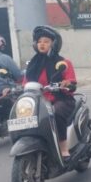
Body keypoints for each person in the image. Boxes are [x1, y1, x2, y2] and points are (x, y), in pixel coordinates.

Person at [24, 26, 77, 159]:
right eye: (39, 41)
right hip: (38, 101)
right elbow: (25, 82)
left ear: (54, 44)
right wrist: (13, 88)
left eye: (46, 41)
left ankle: (63, 147)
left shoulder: (64, 62)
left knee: (56, 112)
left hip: (60, 99)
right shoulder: (32, 64)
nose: (42, 44)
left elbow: (71, 81)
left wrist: (67, 83)